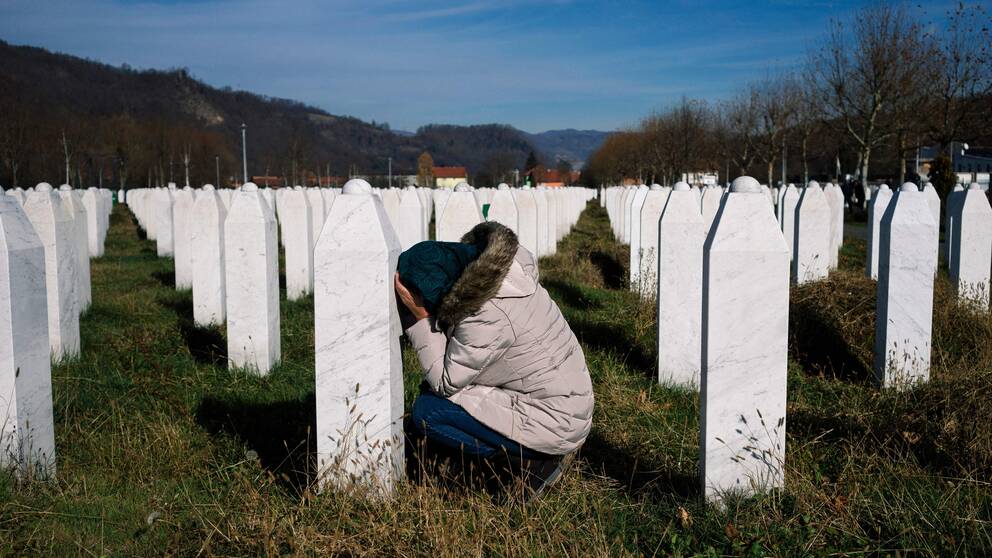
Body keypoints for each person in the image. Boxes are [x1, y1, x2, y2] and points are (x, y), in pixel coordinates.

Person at [394, 221, 594, 499]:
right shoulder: (506, 277)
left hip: (555, 420)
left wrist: (420, 319)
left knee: (429, 412)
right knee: (433, 392)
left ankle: (530, 464)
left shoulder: (485, 313)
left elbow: (446, 381)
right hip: (564, 402)